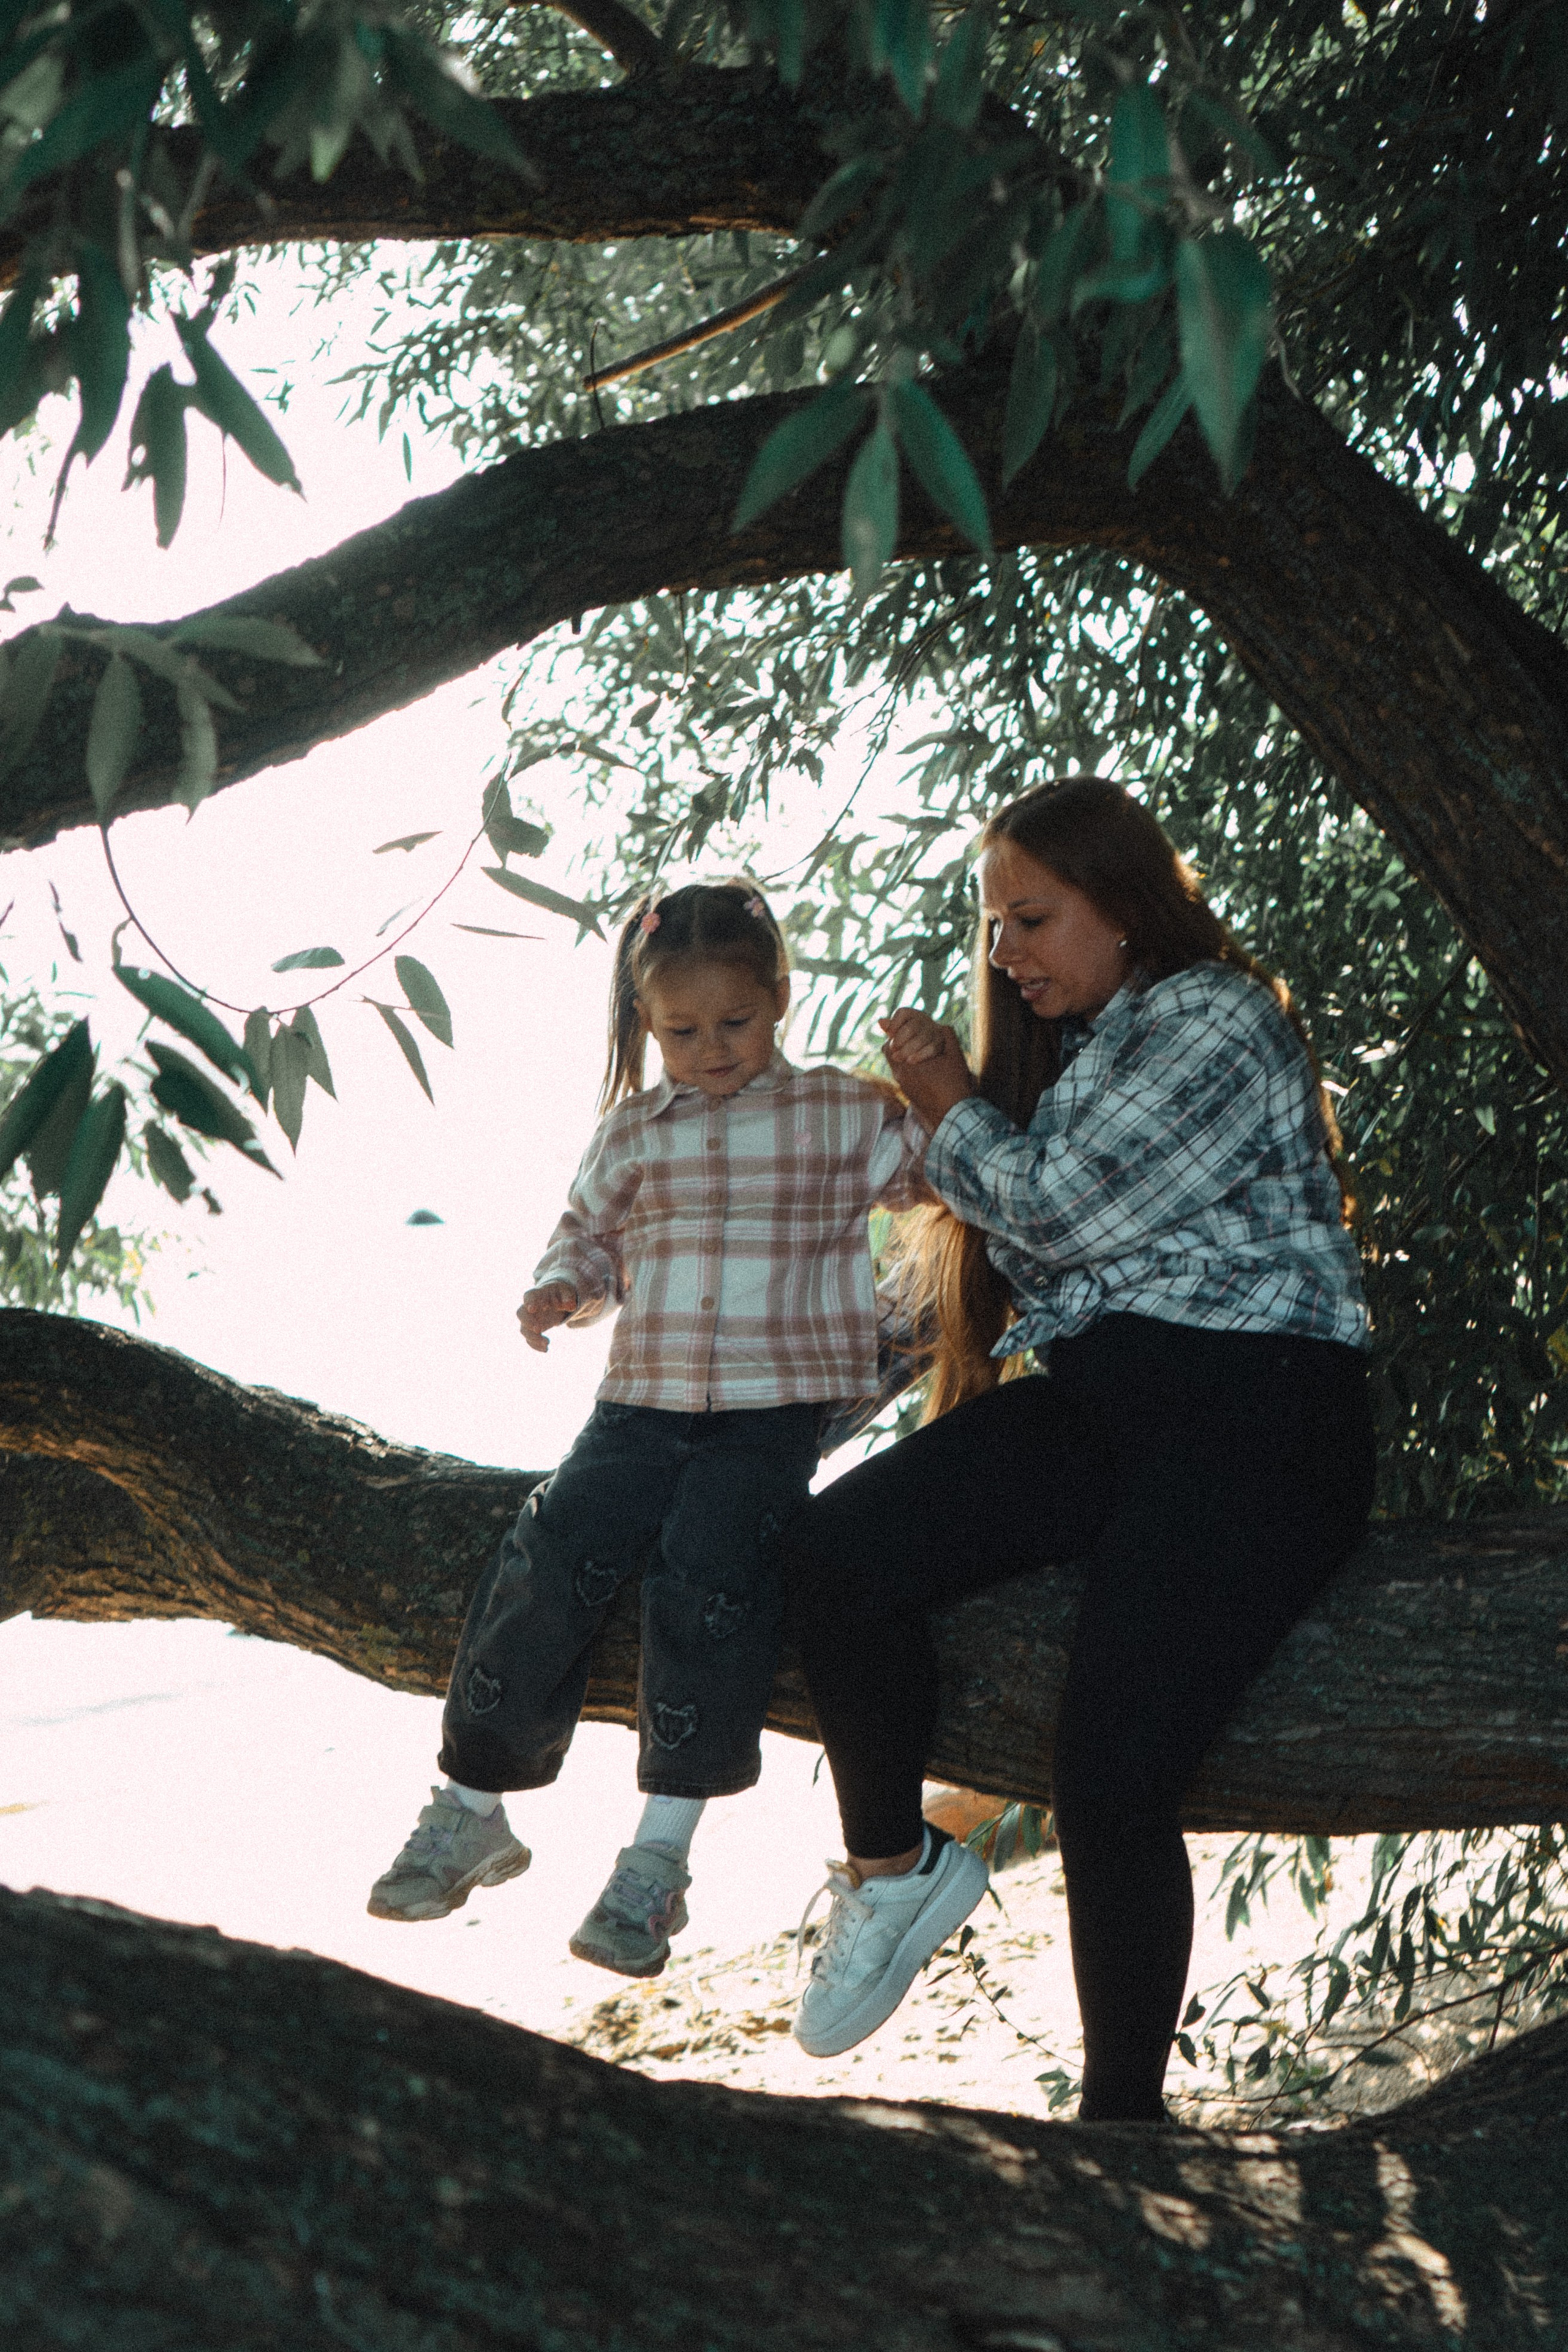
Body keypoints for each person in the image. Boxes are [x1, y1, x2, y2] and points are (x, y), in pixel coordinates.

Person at [782, 777, 1373, 2118]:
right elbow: (953, 1284)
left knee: (1108, 1771)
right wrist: (722, 1436)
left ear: (1121, 904)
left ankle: (1120, 2126)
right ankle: (894, 1869)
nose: (1004, 955)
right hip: (1109, 1402)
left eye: (1031, 920)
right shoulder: (1074, 1057)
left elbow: (1061, 1207)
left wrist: (944, 1101)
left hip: (1257, 1416)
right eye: (993, 927)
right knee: (831, 1550)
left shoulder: (1216, 1015)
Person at [367, 879, 939, 1978]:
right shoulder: (631, 1131)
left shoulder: (840, 1112)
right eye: (681, 1030)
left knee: (709, 1575)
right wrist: (557, 1293)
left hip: (772, 1413)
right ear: (647, 1024)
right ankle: (472, 1802)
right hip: (638, 1404)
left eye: (736, 1021)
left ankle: (655, 1864)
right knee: (553, 1541)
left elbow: (950, 1179)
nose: (712, 1048)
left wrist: (936, 1085)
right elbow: (584, 1240)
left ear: (780, 996)